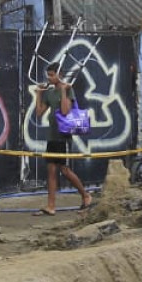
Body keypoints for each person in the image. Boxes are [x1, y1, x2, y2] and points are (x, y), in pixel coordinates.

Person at [33, 64, 91, 215]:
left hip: (63, 136)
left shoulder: (68, 90)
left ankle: (85, 195)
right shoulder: (50, 93)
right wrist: (39, 94)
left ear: (60, 74)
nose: (49, 78)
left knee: (64, 170)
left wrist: (64, 92)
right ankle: (51, 206)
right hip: (52, 136)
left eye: (52, 75)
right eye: (48, 75)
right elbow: (39, 113)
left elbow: (65, 111)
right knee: (51, 170)